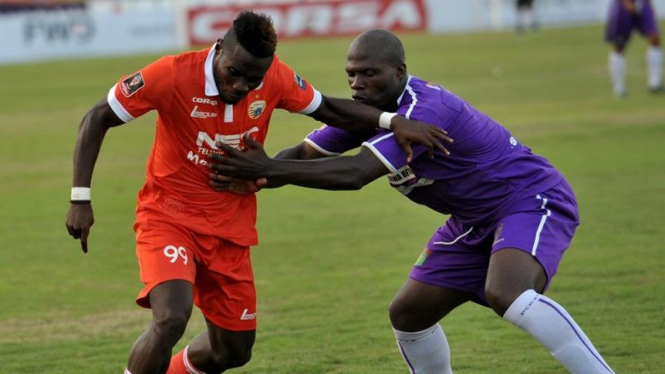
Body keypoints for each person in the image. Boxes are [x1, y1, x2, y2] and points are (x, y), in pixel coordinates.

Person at [209, 29, 617, 374]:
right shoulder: (368, 114)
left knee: (505, 292)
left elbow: (354, 175)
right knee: (409, 314)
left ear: (399, 71)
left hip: (528, 197)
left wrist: (267, 170)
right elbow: (300, 158)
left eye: (369, 73)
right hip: (472, 220)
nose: (357, 84)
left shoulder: (425, 111)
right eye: (351, 75)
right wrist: (247, 172)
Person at [64, 12, 451, 374]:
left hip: (230, 229)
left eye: (253, 79)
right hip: (169, 217)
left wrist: (394, 121)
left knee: (233, 350)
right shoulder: (171, 74)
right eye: (234, 73)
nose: (241, 87)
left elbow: (331, 110)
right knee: (171, 318)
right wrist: (80, 196)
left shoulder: (276, 78)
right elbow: (98, 116)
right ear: (219, 48)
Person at [606, 0, 663, 96]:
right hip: (623, 6)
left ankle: (655, 83)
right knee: (619, 45)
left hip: (642, 3)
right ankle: (619, 88)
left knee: (654, 38)